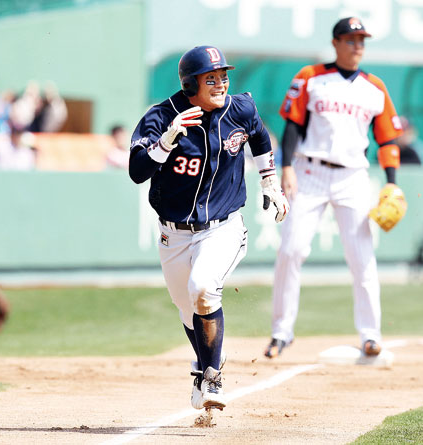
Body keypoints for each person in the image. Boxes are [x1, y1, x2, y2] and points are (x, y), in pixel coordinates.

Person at [129, 45, 289, 411]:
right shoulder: (161, 117)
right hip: (174, 233)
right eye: (211, 78)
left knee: (203, 288)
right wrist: (165, 141)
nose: (220, 83)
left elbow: (261, 137)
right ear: (189, 85)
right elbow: (137, 171)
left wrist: (269, 182)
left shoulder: (240, 108)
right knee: (188, 311)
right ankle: (205, 364)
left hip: (224, 226)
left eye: (223, 76)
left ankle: (213, 376)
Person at [264, 17, 404, 360]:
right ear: (336, 42)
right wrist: (286, 167)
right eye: (351, 39)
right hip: (309, 171)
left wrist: (392, 184)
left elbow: (387, 140)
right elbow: (293, 124)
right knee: (291, 251)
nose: (357, 46)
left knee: (362, 257)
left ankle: (371, 335)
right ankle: (281, 332)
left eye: (362, 40)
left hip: (353, 177)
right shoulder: (310, 77)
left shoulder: (375, 87)